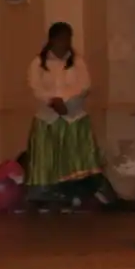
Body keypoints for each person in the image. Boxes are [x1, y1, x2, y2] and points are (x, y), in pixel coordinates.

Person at [25, 21, 105, 211]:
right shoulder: (38, 63)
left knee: (74, 160)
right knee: (48, 160)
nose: (65, 42)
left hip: (73, 118)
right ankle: (47, 197)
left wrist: (65, 101)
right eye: (61, 38)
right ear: (52, 40)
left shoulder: (77, 62)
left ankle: (74, 196)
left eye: (68, 38)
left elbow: (84, 86)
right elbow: (35, 86)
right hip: (48, 119)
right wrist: (52, 101)